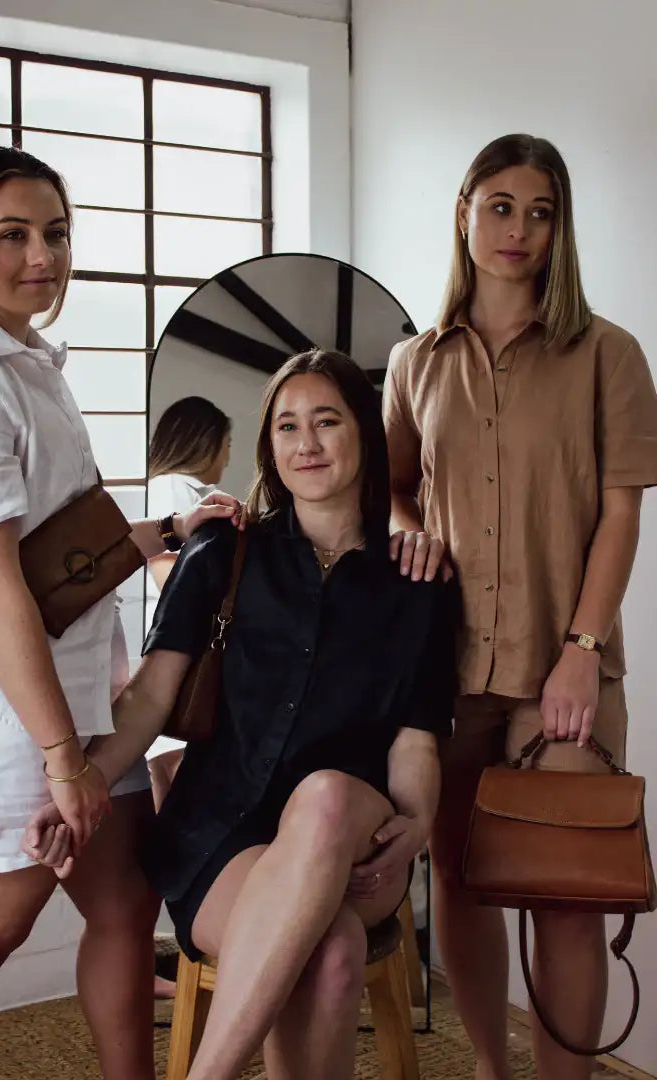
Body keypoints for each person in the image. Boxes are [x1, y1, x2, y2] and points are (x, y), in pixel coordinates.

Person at [25, 347, 457, 1080]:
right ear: (269, 446)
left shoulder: (416, 581)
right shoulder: (224, 550)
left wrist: (416, 824)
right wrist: (81, 780)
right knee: (331, 953)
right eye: (288, 426)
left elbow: (416, 738)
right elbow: (150, 697)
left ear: (364, 432)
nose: (306, 443)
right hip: (222, 835)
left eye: (327, 421)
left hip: (355, 835)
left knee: (325, 798)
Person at [0, 146, 240, 1080]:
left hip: (94, 706)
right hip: (15, 723)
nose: (43, 256)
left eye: (56, 233)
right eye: (13, 235)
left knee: (125, 906)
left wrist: (172, 529)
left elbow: (66, 555)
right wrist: (60, 756)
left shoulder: (31, 362)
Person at [382, 133, 657, 1080]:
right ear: (464, 212)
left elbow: (621, 513)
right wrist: (410, 529)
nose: (519, 230)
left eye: (541, 212)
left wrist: (582, 647)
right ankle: (493, 1072)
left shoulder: (608, 354)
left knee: (566, 898)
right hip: (448, 668)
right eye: (500, 206)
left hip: (561, 673)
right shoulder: (413, 362)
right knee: (462, 881)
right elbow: (391, 488)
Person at [145, 396, 232, 814]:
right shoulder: (175, 489)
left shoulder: (175, 488)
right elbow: (168, 571)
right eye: (227, 445)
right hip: (182, 643)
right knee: (174, 766)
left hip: (176, 641)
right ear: (205, 443)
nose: (227, 458)